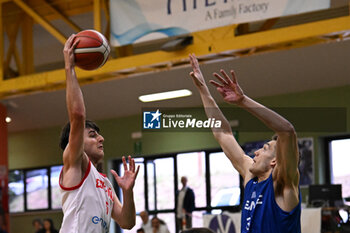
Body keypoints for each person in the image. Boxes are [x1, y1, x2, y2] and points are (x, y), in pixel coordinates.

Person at [188, 54, 301, 233]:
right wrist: (203, 89)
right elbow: (223, 134)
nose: (255, 152)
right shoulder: (251, 177)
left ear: (274, 162)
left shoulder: (282, 184)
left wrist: (243, 101)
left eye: (265, 149)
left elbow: (287, 131)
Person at [59, 34, 140, 233]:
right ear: (75, 141)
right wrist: (69, 68)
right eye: (93, 135)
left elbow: (127, 223)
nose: (101, 138)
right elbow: (77, 115)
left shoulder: (104, 183)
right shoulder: (75, 164)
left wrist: (127, 193)